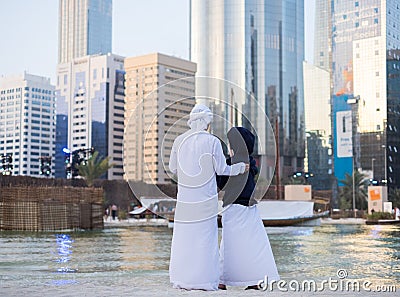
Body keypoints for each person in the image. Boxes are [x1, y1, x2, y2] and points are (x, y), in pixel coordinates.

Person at [169, 104, 248, 291]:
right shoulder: (211, 141)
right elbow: (222, 169)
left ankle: (182, 280)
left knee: (184, 239)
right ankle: (205, 282)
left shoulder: (178, 141)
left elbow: (173, 169)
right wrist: (239, 168)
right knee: (205, 239)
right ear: (206, 122)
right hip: (205, 199)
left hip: (185, 200)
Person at [217, 127, 280, 290]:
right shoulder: (250, 162)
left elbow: (221, 183)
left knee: (229, 244)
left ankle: (222, 280)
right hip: (250, 207)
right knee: (253, 244)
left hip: (234, 206)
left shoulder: (231, 163)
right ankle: (256, 279)